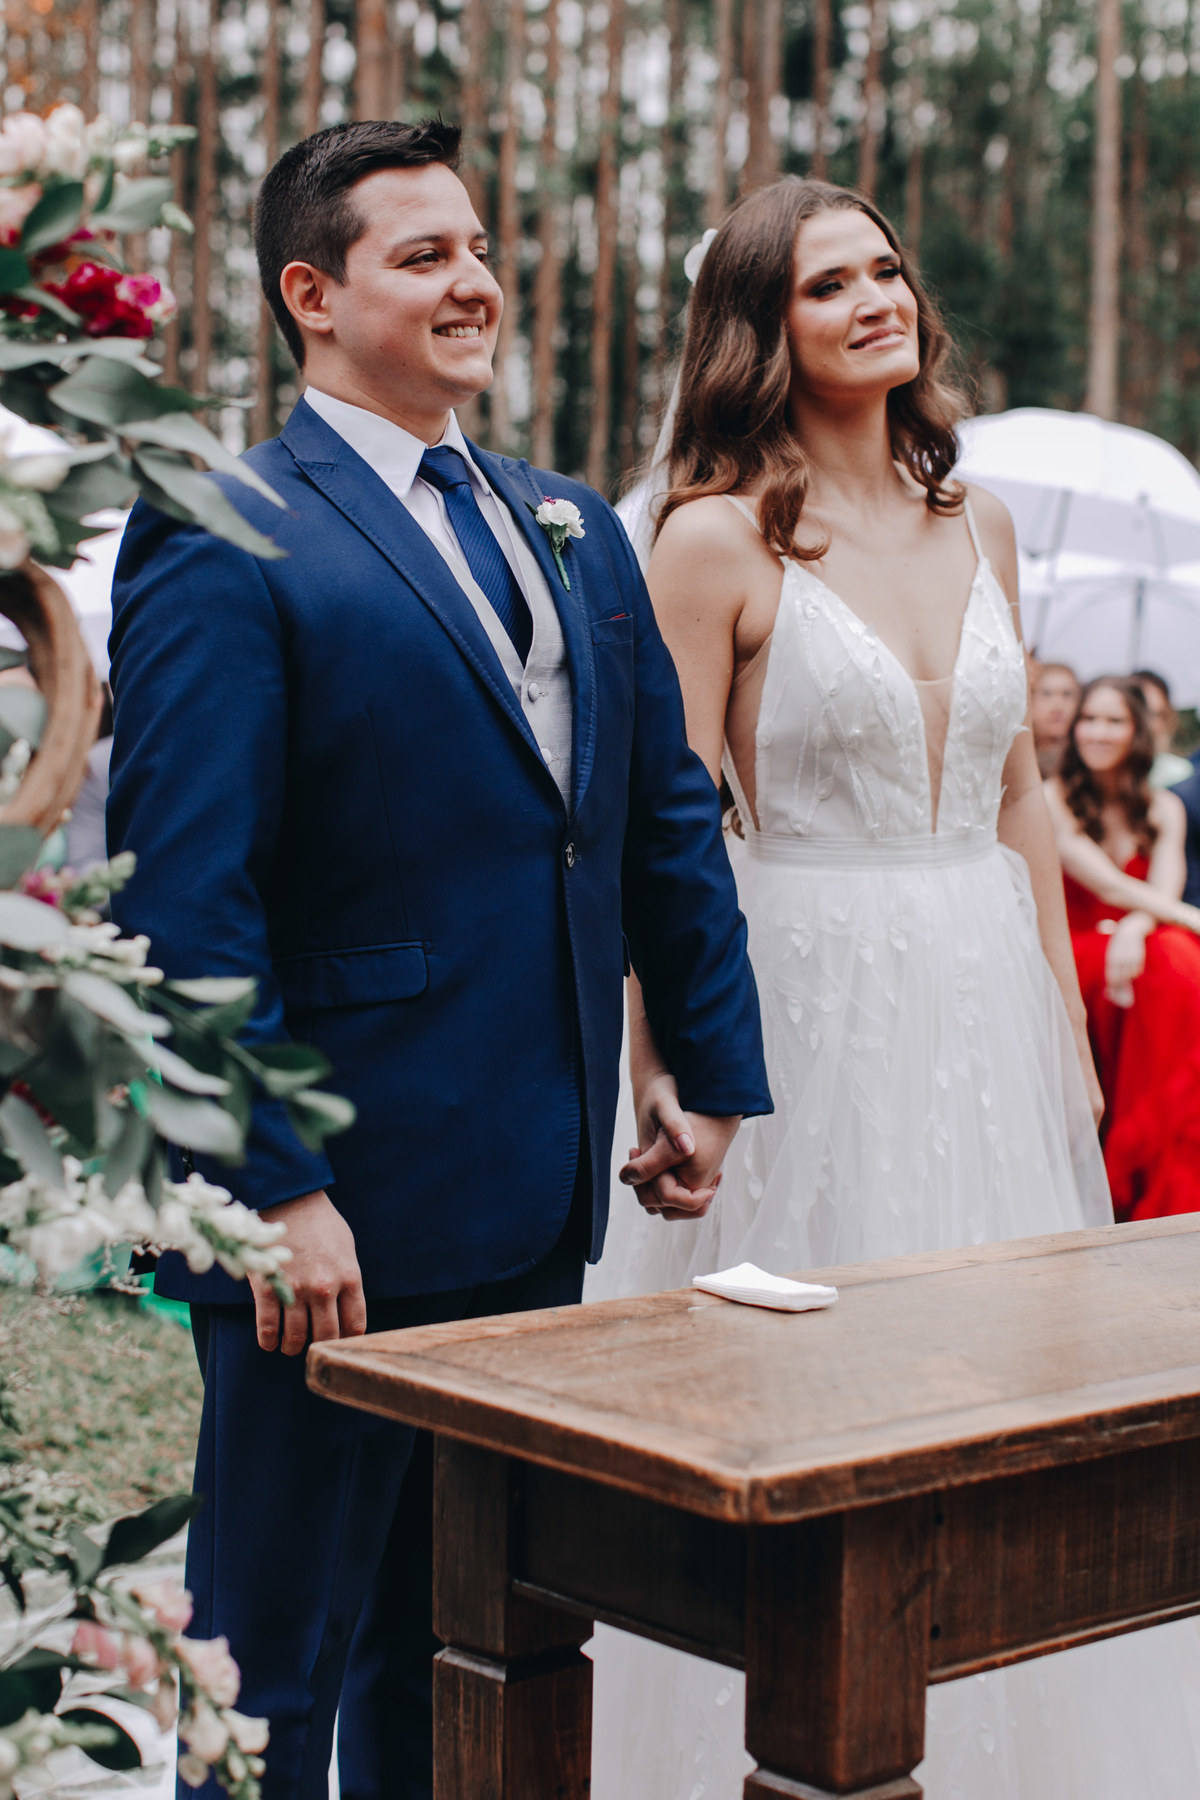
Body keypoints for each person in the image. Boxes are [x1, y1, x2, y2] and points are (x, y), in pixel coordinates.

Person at [106, 118, 771, 1800]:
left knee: (464, 1651)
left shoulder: (570, 521)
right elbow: (187, 898)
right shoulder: (224, 525)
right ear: (311, 296)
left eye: (479, 248)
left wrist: (705, 1068)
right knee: (272, 1672)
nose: (475, 281)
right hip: (331, 1213)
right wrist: (271, 1183)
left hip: (534, 1189)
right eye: (425, 256)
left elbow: (654, 817)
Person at [587, 176, 1200, 1800]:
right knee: (799, 1396)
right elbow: (665, 835)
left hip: (986, 999)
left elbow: (1018, 796)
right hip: (795, 1002)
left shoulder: (978, 521)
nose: (875, 300)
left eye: (884, 270)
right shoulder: (711, 541)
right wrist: (665, 1068)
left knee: (1003, 1378)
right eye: (824, 283)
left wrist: (1064, 1035)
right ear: (757, 328)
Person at [1046, 675, 1200, 1220]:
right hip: (1072, 952)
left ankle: (1163, 1160)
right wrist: (1183, 918)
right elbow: (1107, 885)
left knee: (1171, 960)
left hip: (1137, 947)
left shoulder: (1163, 807)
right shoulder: (1052, 799)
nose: (1098, 731)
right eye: (1089, 718)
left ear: (1138, 731)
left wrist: (1135, 929)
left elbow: (1162, 888)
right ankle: (1133, 1166)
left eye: (1114, 720)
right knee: (1175, 958)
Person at [1132, 667, 1193, 788]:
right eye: (1138, 711)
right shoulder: (1097, 772)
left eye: (1153, 714)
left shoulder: (1179, 775)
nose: (1144, 722)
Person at [1030, 658, 1080, 777]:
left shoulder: (1087, 765)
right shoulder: (1014, 759)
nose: (1058, 705)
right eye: (1046, 694)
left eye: (1067, 694)